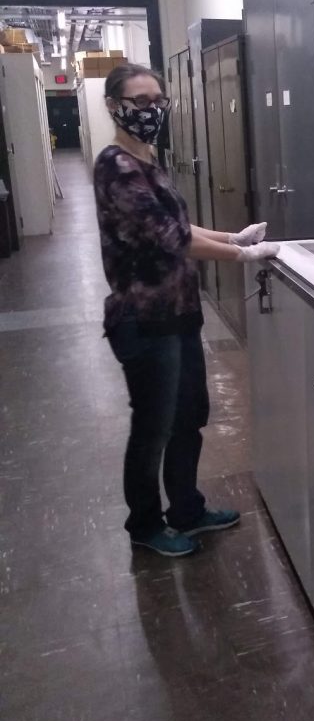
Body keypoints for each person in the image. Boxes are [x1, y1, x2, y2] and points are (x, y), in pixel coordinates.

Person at [93, 63, 278, 557]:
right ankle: (145, 526)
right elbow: (170, 239)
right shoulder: (116, 167)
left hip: (178, 314)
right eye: (139, 102)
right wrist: (243, 256)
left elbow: (182, 225)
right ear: (114, 107)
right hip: (144, 321)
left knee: (188, 418)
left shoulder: (148, 159)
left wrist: (232, 237)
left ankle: (188, 510)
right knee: (153, 428)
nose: (151, 111)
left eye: (158, 100)